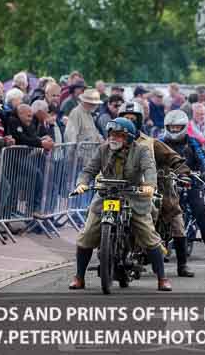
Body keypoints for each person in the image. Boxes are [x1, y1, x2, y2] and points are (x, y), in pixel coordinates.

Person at [69, 118, 172, 291]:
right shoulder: (102, 150)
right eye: (111, 134)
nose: (113, 138)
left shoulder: (142, 151)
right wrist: (82, 183)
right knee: (87, 234)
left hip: (133, 196)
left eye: (119, 135)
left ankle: (162, 278)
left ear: (129, 137)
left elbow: (149, 169)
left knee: (148, 235)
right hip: (106, 194)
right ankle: (79, 277)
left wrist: (149, 186)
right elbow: (89, 170)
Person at [121, 103, 194, 278]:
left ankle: (182, 265)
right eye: (125, 118)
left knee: (177, 222)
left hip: (158, 189)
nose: (129, 122)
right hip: (124, 191)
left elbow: (174, 158)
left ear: (139, 121)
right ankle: (109, 249)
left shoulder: (151, 143)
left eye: (133, 119)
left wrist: (183, 173)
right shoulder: (113, 142)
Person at [161, 110, 205, 260]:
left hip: (191, 182)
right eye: (171, 127)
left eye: (177, 127)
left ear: (184, 127)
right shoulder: (160, 143)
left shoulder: (192, 142)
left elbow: (204, 159)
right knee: (155, 208)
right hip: (166, 183)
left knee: (200, 210)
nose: (174, 130)